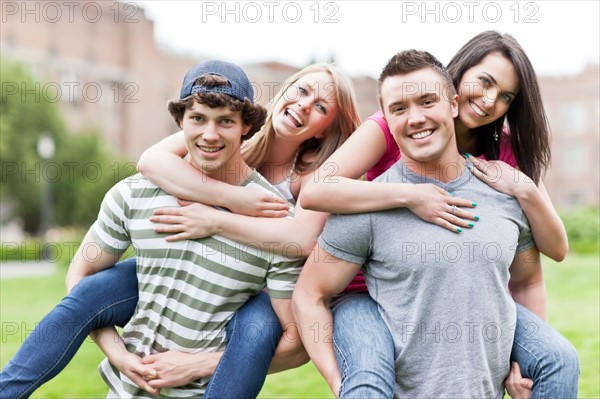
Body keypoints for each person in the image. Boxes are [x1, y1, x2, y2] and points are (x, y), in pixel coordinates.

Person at [0, 62, 362, 398]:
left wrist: (215, 219)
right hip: (186, 263)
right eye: (301, 91)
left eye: (320, 107)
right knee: (92, 291)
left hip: (258, 292)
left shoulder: (311, 178)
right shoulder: (219, 141)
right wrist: (230, 198)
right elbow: (150, 162)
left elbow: (300, 240)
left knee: (256, 333)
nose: (210, 133)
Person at [299, 31, 578, 398]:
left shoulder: (503, 167)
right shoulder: (384, 131)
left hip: (454, 287)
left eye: (506, 96)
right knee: (366, 381)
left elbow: (546, 259)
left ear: (452, 102)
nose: (490, 100)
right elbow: (316, 191)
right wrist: (410, 195)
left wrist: (525, 187)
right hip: (363, 289)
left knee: (559, 358)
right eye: (486, 81)